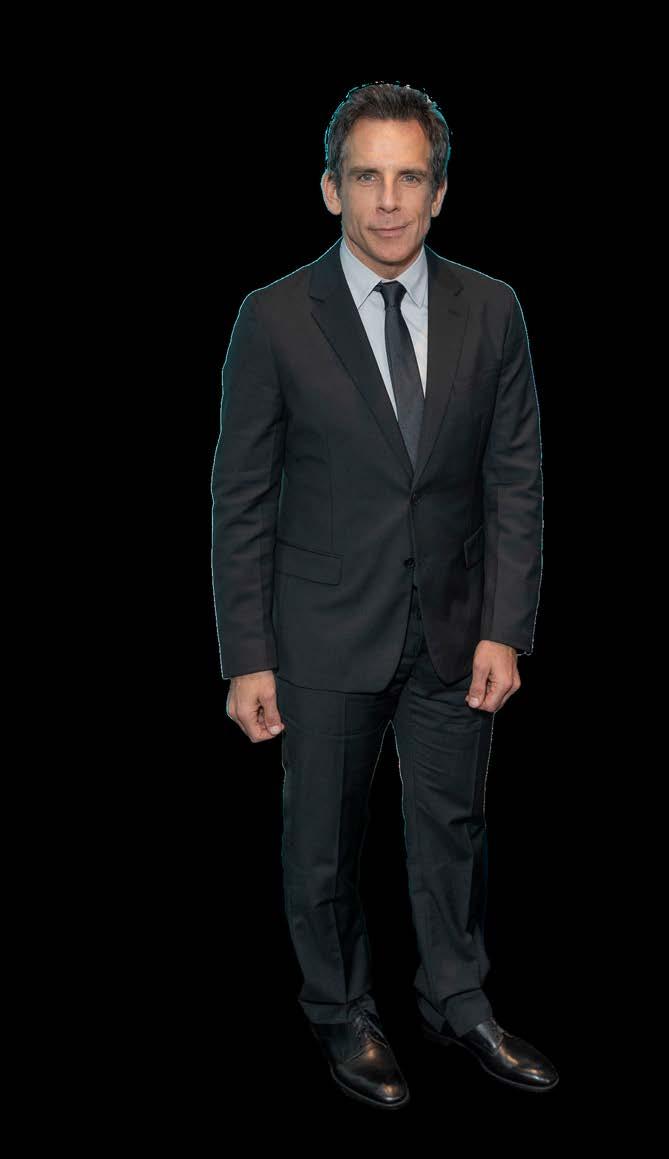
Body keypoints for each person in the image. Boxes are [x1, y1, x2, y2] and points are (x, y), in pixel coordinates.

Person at [210, 81, 558, 1109]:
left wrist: (506, 626)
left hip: (456, 629)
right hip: (319, 633)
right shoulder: (273, 317)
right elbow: (239, 495)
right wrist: (246, 655)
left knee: (453, 829)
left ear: (440, 192)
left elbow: (515, 477)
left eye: (411, 177)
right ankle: (342, 1011)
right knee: (321, 842)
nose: (389, 200)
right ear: (331, 189)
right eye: (367, 176)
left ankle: (457, 999)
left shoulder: (493, 308)